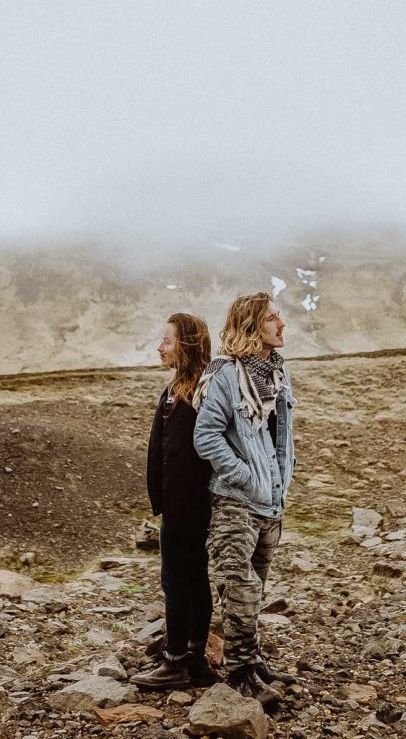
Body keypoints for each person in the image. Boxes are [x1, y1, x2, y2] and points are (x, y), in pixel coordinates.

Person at [193, 292, 297, 705]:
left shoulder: (277, 372)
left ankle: (250, 660)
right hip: (236, 501)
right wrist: (242, 475)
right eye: (273, 319)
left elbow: (280, 436)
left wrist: (278, 481)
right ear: (253, 327)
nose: (282, 324)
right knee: (239, 585)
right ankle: (238, 671)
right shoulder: (226, 374)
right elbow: (206, 434)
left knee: (257, 586)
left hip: (271, 502)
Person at [130, 313, 220, 690]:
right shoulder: (182, 388)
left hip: (187, 507)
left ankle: (177, 661)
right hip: (181, 505)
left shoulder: (199, 391)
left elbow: (197, 456)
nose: (160, 347)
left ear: (186, 344)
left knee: (177, 580)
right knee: (192, 577)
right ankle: (193, 655)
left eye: (167, 340)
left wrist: (179, 505)